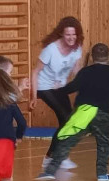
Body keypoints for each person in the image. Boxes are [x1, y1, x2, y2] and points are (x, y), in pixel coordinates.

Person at [35, 43, 109, 181]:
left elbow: (71, 87)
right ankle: (102, 174)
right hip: (102, 114)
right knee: (104, 144)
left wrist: (57, 89)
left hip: (82, 113)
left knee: (67, 140)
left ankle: (50, 171)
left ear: (92, 58)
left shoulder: (85, 72)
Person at [30, 16, 85, 170]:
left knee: (68, 121)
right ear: (61, 34)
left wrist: (84, 86)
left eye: (74, 34)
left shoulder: (77, 48)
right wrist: (34, 96)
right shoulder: (50, 50)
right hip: (44, 86)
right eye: (68, 35)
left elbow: (76, 70)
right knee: (66, 118)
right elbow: (35, 72)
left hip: (60, 87)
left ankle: (59, 156)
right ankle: (51, 157)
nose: (71, 38)